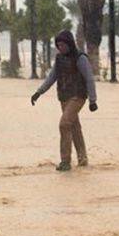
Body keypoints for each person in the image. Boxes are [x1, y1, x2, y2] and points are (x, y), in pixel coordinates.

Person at [31, 30, 97, 171]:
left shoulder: (80, 58)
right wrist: (38, 92)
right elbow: (51, 77)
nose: (60, 47)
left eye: (62, 45)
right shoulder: (59, 59)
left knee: (64, 124)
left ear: (69, 43)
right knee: (74, 127)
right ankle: (83, 159)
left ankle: (65, 161)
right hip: (64, 97)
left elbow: (90, 79)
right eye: (58, 45)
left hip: (78, 96)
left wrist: (93, 100)